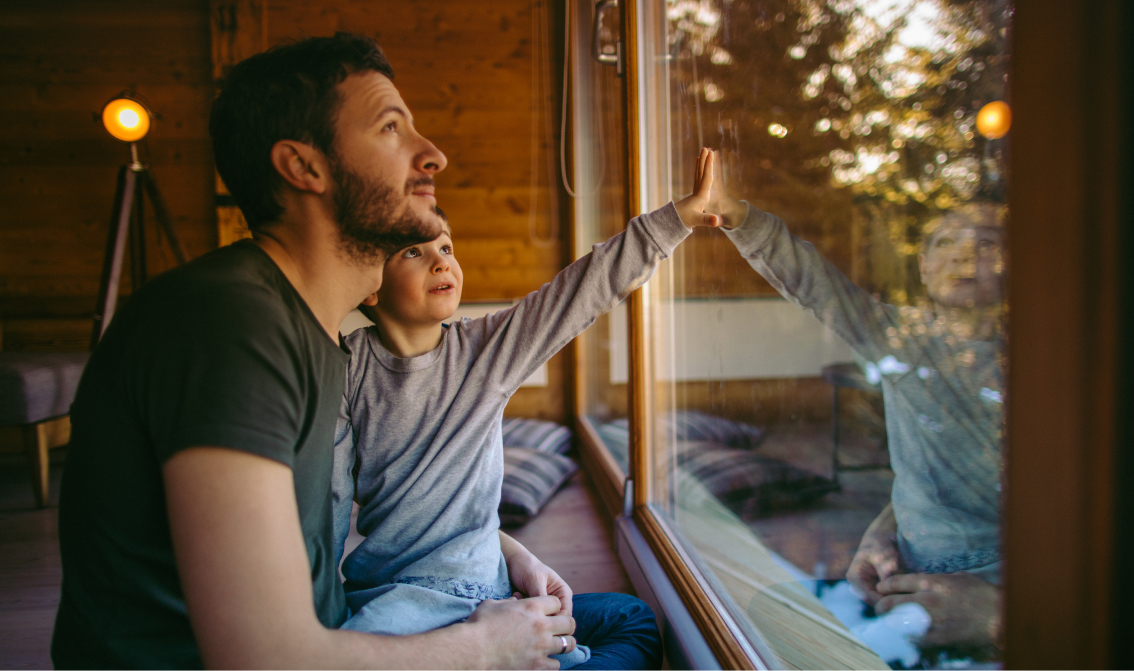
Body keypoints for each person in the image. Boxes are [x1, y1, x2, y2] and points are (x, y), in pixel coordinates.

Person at [52, 33, 580, 669]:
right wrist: (485, 646)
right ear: (304, 168)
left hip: (336, 626)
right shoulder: (228, 327)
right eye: (391, 128)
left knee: (612, 618)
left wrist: (508, 554)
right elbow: (265, 658)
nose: (432, 155)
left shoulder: (322, 339)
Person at [332, 150, 723, 669]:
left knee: (628, 614)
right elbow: (328, 506)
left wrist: (678, 219)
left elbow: (583, 289)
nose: (441, 260)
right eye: (413, 252)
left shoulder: (485, 350)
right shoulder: (345, 368)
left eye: (446, 246)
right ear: (369, 283)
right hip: (401, 607)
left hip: (479, 590)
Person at [705, 152, 1004, 653]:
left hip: (989, 587)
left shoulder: (1044, 371)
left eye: (986, 243)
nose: (962, 254)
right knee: (757, 621)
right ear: (925, 268)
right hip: (901, 573)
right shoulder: (897, 336)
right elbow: (813, 282)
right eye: (945, 243)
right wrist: (737, 215)